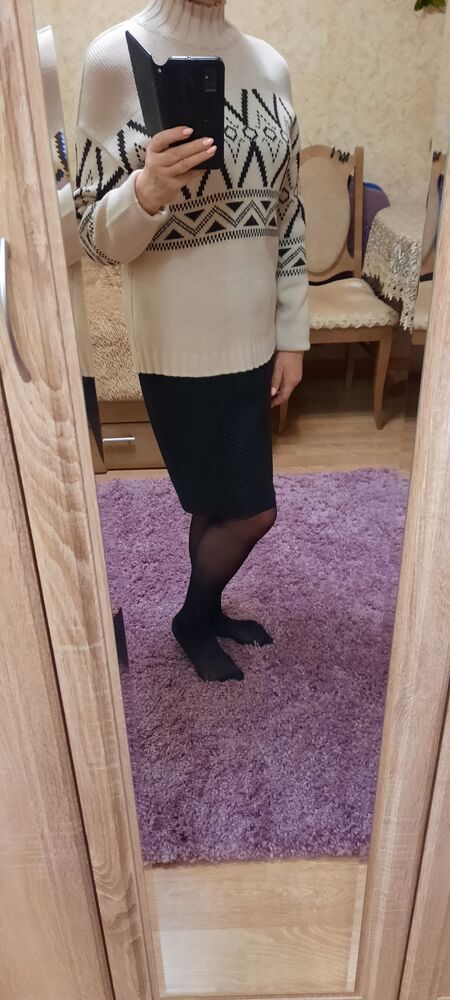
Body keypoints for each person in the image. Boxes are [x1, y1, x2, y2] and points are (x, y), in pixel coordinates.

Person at [75, 0, 310, 683]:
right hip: (178, 344)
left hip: (254, 338)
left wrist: (291, 334)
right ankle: (190, 617)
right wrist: (147, 189)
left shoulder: (270, 66)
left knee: (221, 501)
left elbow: (289, 213)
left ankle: (205, 614)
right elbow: (91, 235)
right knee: (252, 511)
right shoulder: (113, 58)